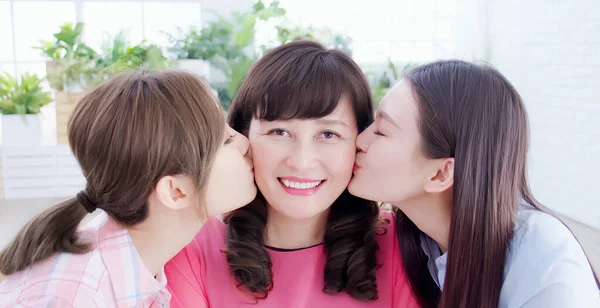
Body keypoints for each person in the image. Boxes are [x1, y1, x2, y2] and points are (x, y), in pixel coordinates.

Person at [165, 40, 419, 307]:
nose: (301, 162)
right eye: (279, 132)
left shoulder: (400, 244)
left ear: (360, 142)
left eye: (328, 134)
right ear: (243, 134)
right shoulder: (192, 247)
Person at [349, 59, 600, 308]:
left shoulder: (544, 268)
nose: (359, 140)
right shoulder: (415, 240)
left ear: (440, 174)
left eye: (381, 131)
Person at [0, 70, 257, 307]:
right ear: (175, 192)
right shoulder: (78, 297)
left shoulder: (137, 272)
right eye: (227, 140)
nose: (245, 143)